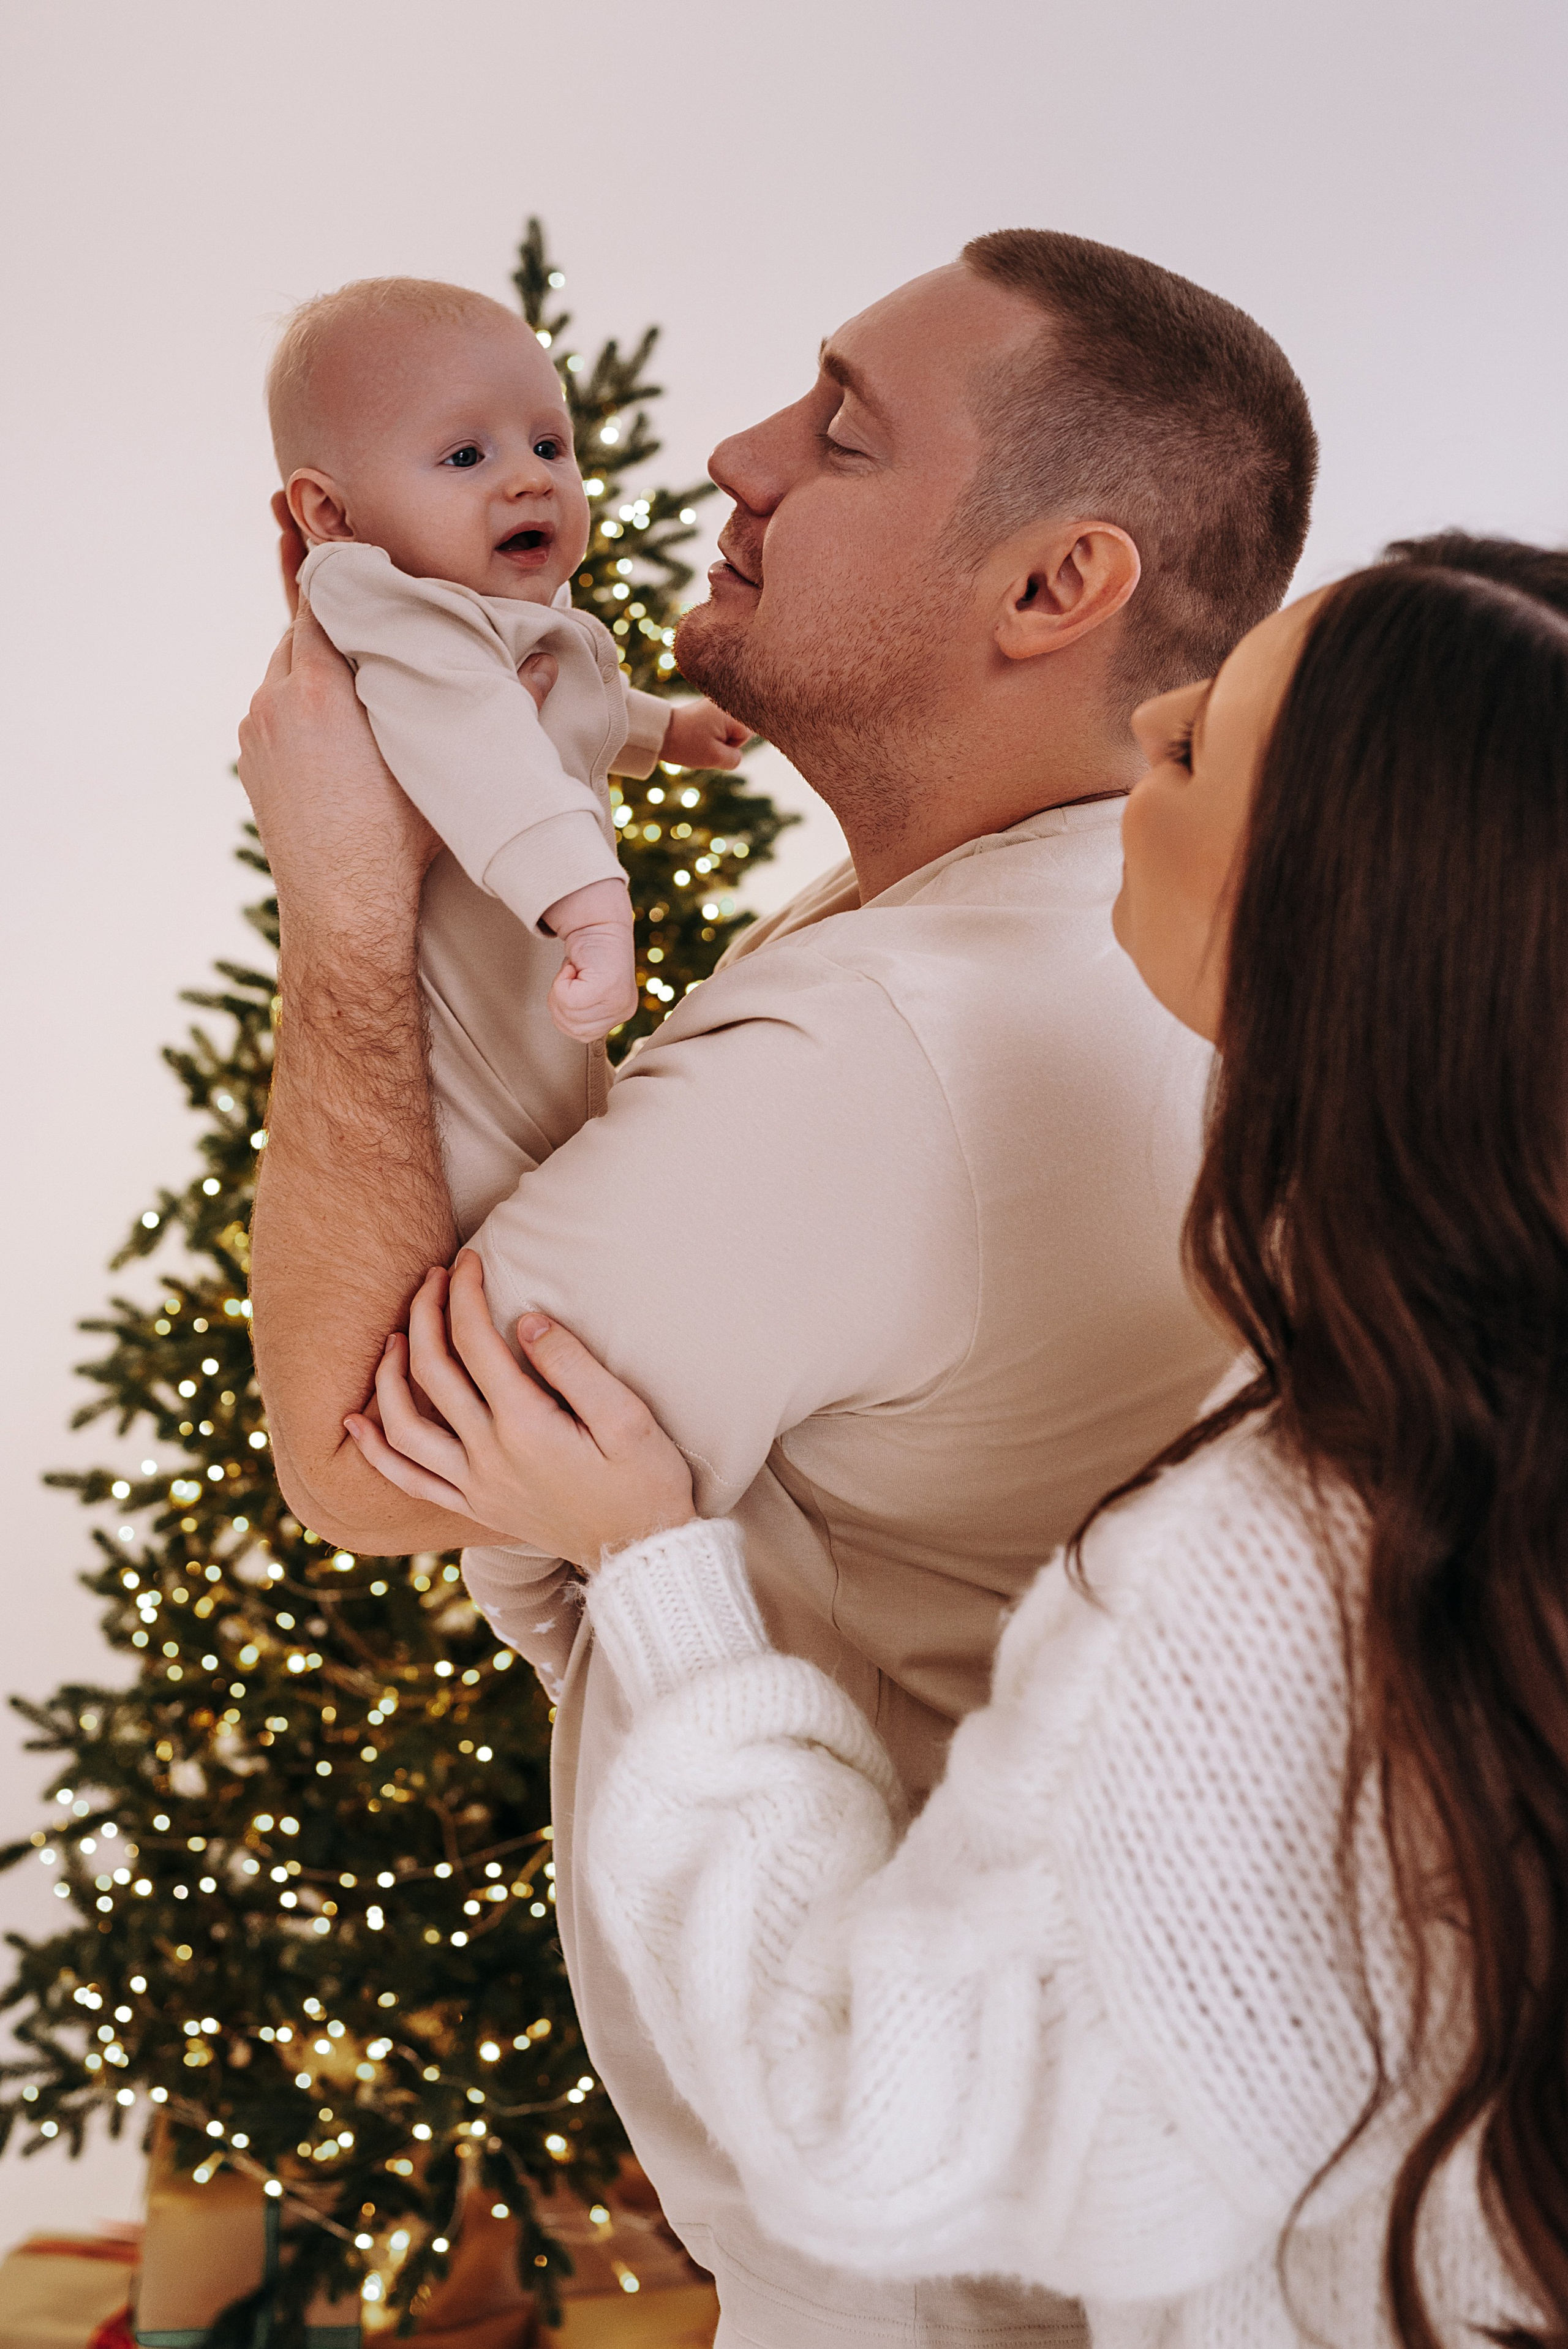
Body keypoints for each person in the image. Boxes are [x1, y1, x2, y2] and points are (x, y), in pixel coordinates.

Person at [239, 230, 1316, 2349]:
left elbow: (364, 1463)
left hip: (921, 2277)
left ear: (1053, 587)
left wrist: (351, 901)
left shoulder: (881, 1049)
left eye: (837, 430)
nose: (729, 452)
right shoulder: (1110, 932)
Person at [349, 536, 1568, 2346]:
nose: (1149, 711)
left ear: (1323, 921)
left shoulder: (1270, 1560)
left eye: (1196, 749)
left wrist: (657, 1575)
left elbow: (877, 2119)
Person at [266, 276, 747, 1233]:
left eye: (547, 444)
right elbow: (482, 744)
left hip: (522, 1008)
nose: (530, 479)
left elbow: (559, 702)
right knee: (498, 1223)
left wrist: (666, 732)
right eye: (464, 454)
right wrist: (595, 909)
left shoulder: (486, 617)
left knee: (567, 1188)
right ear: (331, 514)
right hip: (453, 1049)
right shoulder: (392, 612)